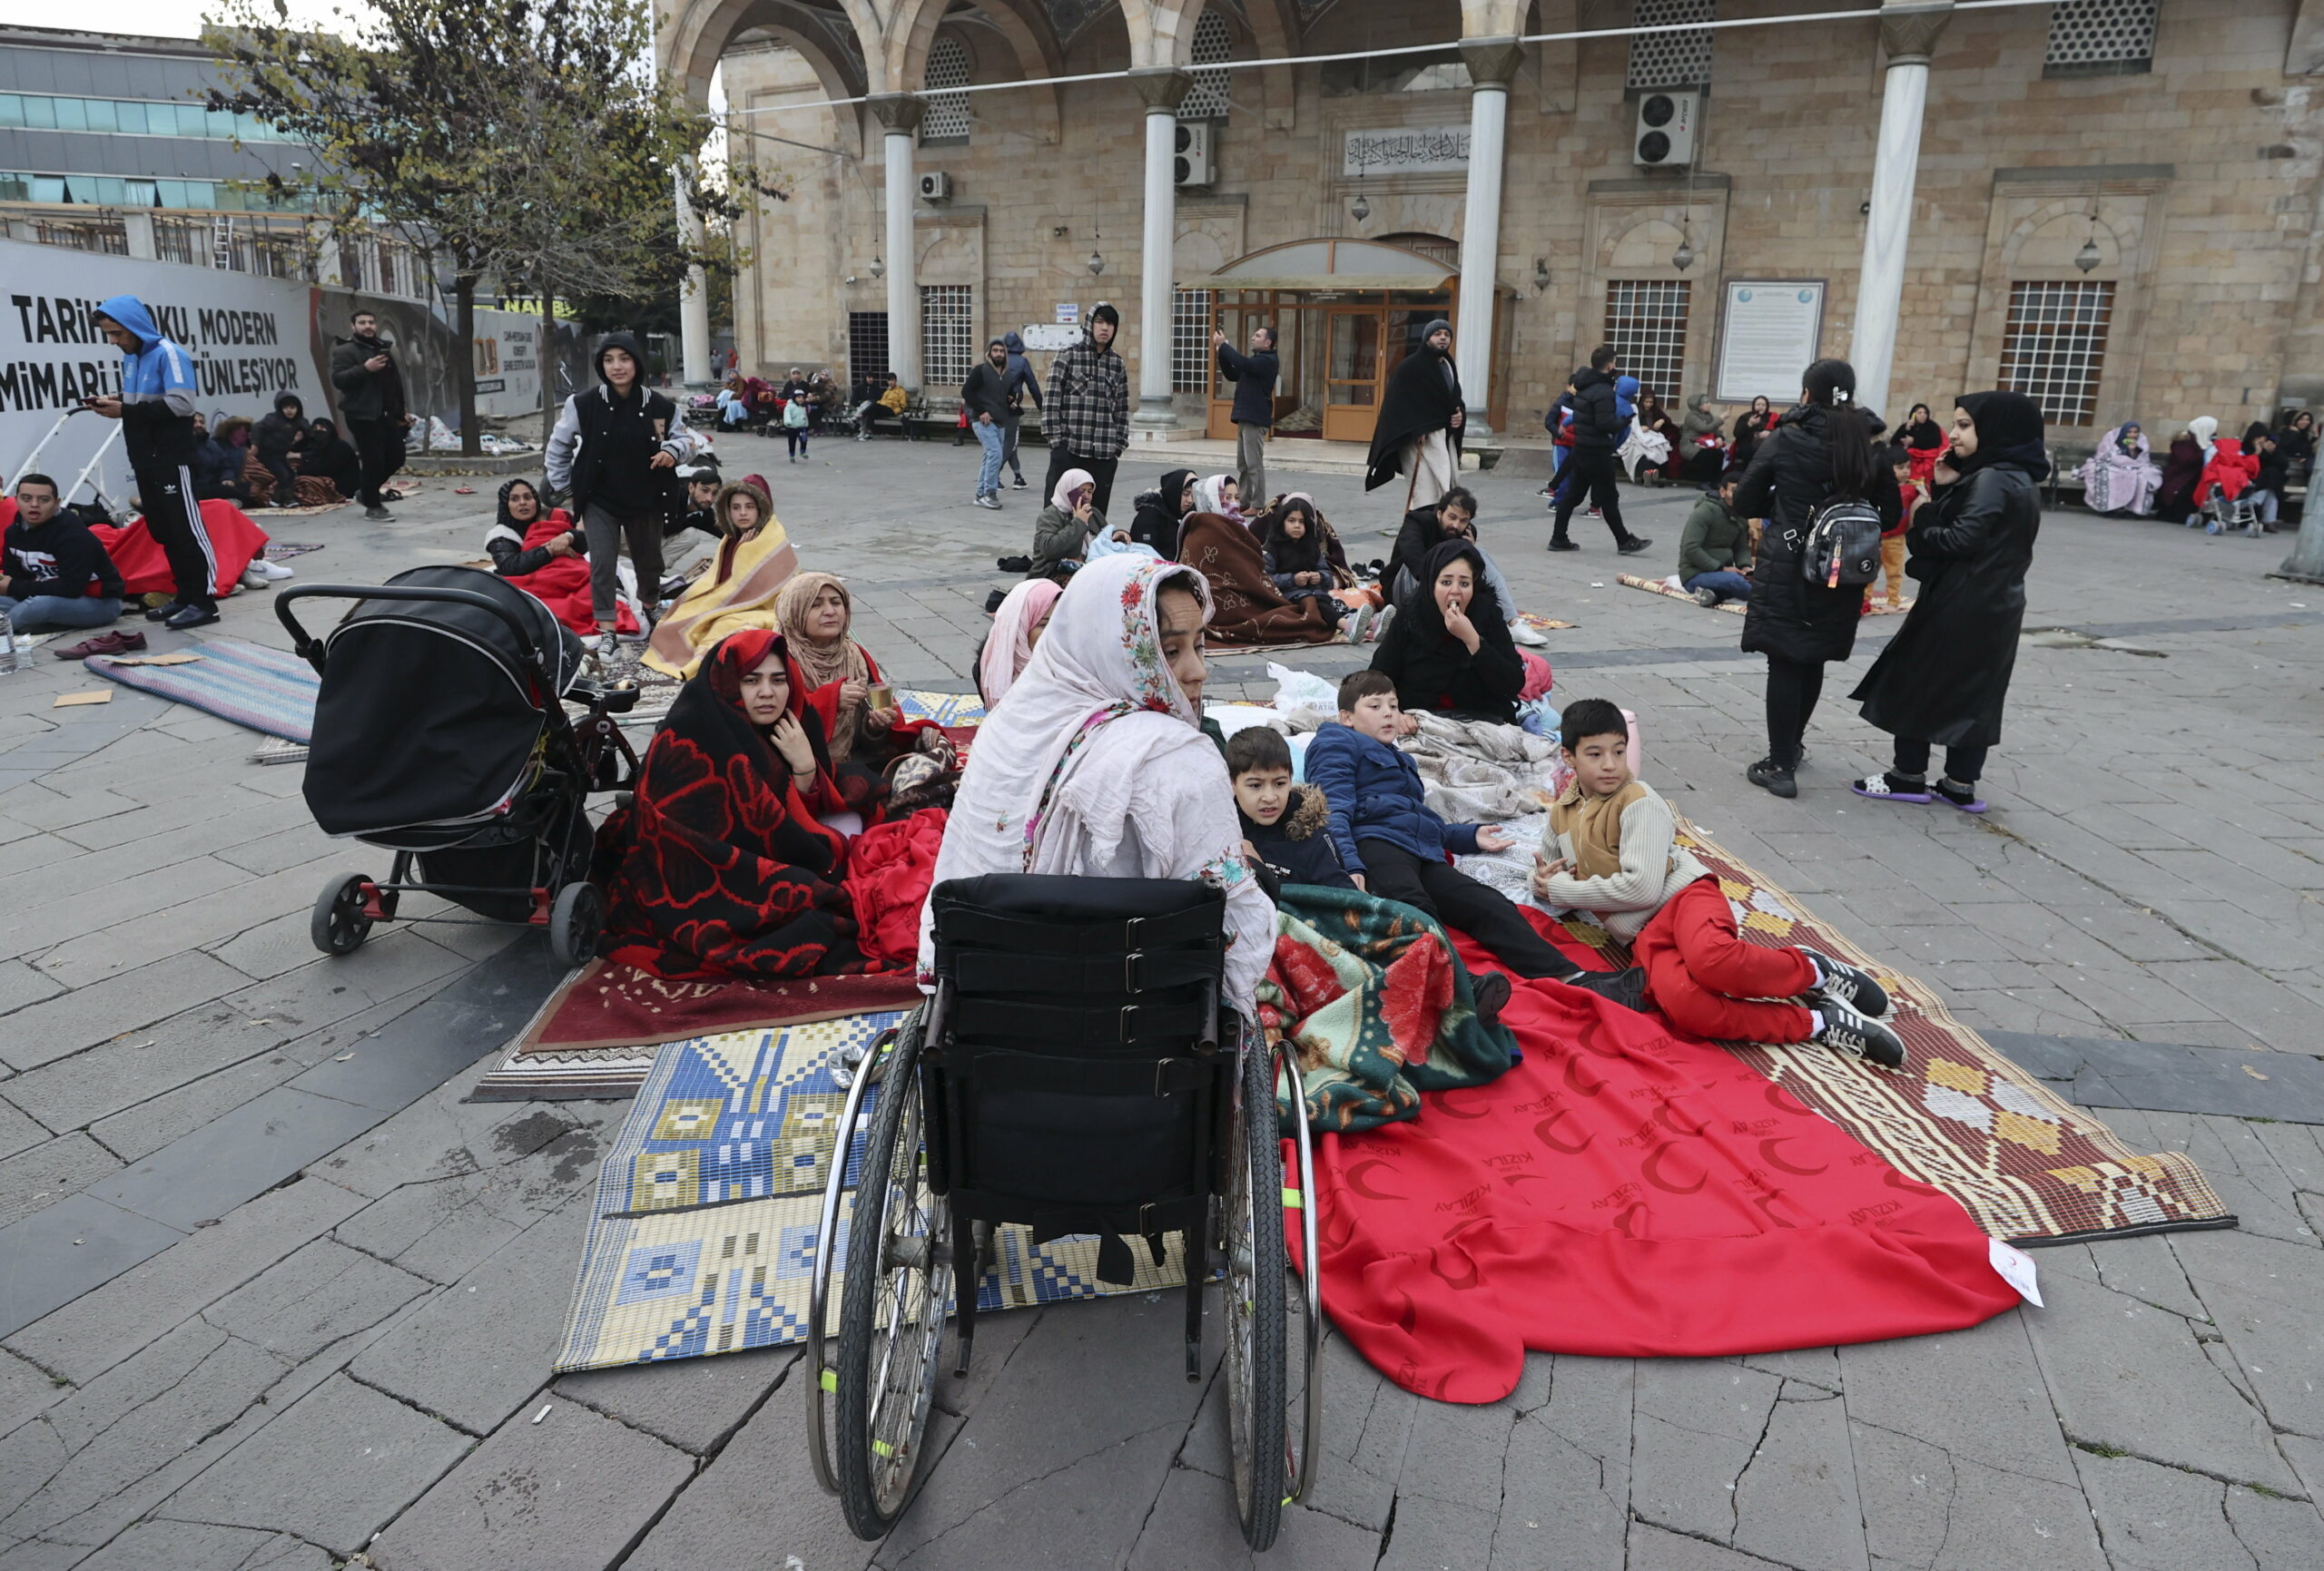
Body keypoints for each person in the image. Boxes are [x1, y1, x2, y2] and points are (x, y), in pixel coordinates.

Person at [917, 553, 1277, 1016]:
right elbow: (1235, 939)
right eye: (1169, 651)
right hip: (1146, 1031)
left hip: (990, 1016)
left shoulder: (1004, 727)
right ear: (1114, 648)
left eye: (1199, 645)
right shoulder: (1178, 762)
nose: (1197, 670)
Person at [1531, 698, 1904, 1065]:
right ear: (1569, 757)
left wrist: (1562, 889)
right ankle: (1821, 1023)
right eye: (1595, 754)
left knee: (1712, 961)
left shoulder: (1639, 801)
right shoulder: (1563, 813)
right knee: (1684, 1005)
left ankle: (1815, 972)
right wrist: (1543, 883)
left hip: (1683, 899)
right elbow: (1549, 872)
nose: (1611, 765)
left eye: (1618, 751)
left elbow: (1641, 888)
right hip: (1641, 933)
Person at [1305, 671, 1642, 1003]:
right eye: (1375, 706)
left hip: (1419, 851)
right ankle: (1458, 988)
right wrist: (1351, 867)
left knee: (1487, 903)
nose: (1388, 713)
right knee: (1412, 908)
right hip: (1374, 845)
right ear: (1346, 717)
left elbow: (1415, 819)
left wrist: (1467, 836)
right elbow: (1332, 811)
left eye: (1393, 705)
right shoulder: (1335, 742)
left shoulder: (1400, 758)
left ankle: (1573, 978)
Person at [596, 629, 868, 979]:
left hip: (762, 852)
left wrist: (804, 766)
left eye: (778, 679)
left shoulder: (791, 725)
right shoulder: (689, 735)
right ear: (726, 683)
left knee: (853, 822)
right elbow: (704, 835)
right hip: (699, 870)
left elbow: (798, 814)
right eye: (751, 680)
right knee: (810, 902)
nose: (768, 693)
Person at [1850, 392, 2045, 815]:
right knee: (1977, 693)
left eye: (1964, 425)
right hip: (1997, 605)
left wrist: (1923, 513)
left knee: (1916, 680)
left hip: (1960, 603)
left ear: (1995, 429)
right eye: (1955, 424)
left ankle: (1907, 776)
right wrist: (1946, 488)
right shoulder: (2018, 477)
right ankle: (1959, 784)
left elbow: (1961, 539)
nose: (1954, 434)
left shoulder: (1993, 477)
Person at [1735, 357, 1898, 800]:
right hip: (1842, 569)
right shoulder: (1868, 443)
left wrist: (1788, 508)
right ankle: (1793, 744)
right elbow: (1893, 513)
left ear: (1807, 394)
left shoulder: (1788, 438)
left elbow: (1745, 496)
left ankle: (1780, 764)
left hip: (1789, 562)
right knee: (1812, 656)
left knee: (1786, 658)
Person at [546, 331, 708, 648]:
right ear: (600, 365)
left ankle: (650, 607)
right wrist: (565, 486)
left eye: (624, 359)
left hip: (646, 497)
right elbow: (558, 446)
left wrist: (673, 451)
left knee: (649, 561)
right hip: (599, 499)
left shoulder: (659, 405)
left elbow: (689, 441)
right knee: (602, 563)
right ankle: (607, 629)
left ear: (636, 363)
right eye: (608, 360)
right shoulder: (583, 404)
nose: (616, 366)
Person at [86, 295, 219, 631]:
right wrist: (116, 401)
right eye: (109, 335)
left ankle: (204, 601)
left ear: (134, 326)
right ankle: (185, 596)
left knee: (186, 529)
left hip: (172, 458)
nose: (114, 341)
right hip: (145, 458)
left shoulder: (169, 353)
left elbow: (182, 405)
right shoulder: (132, 358)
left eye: (117, 333)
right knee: (164, 530)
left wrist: (125, 410)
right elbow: (144, 402)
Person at [644, 476, 795, 677]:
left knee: (723, 627)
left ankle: (702, 669)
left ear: (760, 508)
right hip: (731, 600)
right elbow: (718, 578)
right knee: (679, 612)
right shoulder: (731, 536)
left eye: (749, 507)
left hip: (763, 607)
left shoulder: (772, 536)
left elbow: (754, 589)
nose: (742, 513)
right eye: (736, 507)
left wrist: (743, 552)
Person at [1369, 539, 1522, 724]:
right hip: (1418, 723)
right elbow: (1377, 678)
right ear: (1431, 584)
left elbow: (1512, 684)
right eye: (1446, 582)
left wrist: (1473, 641)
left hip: (1482, 723)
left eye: (1464, 584)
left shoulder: (1487, 614)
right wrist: (1395, 714)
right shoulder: (1409, 617)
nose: (1455, 591)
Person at [1384, 486, 1543, 648]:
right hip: (1403, 589)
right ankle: (1425, 622)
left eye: (1463, 520)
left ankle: (1513, 622)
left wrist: (1470, 551)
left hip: (1447, 594)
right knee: (1423, 563)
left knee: (1480, 555)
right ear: (1439, 513)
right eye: (1451, 517)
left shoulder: (1465, 533)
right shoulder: (1417, 522)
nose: (1455, 524)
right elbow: (1412, 555)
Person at [1548, 345, 1653, 555]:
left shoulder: (1584, 386)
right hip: (1596, 451)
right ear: (1610, 365)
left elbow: (1583, 417)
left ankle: (1558, 537)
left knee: (1572, 495)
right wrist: (1624, 422)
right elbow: (1604, 423)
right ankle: (1624, 541)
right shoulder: (1603, 391)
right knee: (1609, 497)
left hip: (1582, 448)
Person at [1226, 726, 1353, 890]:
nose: (1270, 797)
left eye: (1280, 784)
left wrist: (1260, 871)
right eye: (1256, 785)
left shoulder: (1311, 837)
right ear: (1231, 783)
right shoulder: (1218, 833)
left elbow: (1346, 901)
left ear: (1291, 780)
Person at [2, 473, 123, 636]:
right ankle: (34, 623)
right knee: (28, 605)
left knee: (40, 606)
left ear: (56, 503)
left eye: (44, 500)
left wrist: (13, 587)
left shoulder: (73, 536)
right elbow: (16, 578)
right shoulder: (13, 533)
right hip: (42, 595)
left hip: (98, 602)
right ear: (16, 500)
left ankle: (8, 627)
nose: (34, 505)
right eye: (26, 498)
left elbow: (71, 588)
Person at [1364, 318, 1463, 509]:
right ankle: (1419, 531)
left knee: (1447, 488)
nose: (1442, 338)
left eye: (1446, 335)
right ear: (1427, 339)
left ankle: (1440, 532)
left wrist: (1460, 416)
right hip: (1417, 441)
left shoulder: (1449, 367)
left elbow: (1454, 400)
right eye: (1437, 334)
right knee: (1424, 492)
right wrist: (1415, 429)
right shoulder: (1410, 367)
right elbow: (1396, 405)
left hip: (1443, 437)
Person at [328, 307, 413, 522]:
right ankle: (373, 506)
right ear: (353, 326)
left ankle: (366, 491)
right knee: (372, 460)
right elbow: (339, 380)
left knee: (396, 456)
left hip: (387, 414)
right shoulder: (345, 351)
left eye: (371, 323)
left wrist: (401, 410)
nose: (368, 326)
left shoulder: (382, 348)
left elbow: (394, 383)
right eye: (362, 323)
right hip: (362, 414)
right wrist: (366, 368)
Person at [1042, 302, 1128, 514]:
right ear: (1090, 324)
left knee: (1095, 515)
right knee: (1059, 510)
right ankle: (1050, 547)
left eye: (1110, 323)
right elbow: (1051, 401)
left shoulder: (1117, 364)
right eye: (1100, 322)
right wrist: (1057, 444)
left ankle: (1091, 547)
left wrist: (1117, 447)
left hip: (1103, 455)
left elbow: (1122, 409)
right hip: (1070, 450)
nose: (1105, 328)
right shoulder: (1068, 356)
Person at [1261, 496, 1364, 639]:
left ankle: (1367, 626)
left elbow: (1327, 575)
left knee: (1333, 603)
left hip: (1317, 592)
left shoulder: (1312, 547)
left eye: (1301, 522)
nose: (1297, 525)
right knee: (1315, 603)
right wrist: (1292, 579)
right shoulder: (1272, 548)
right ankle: (1347, 627)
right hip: (1290, 597)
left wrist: (1319, 577)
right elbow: (1265, 579)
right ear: (1282, 522)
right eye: (1292, 521)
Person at [1213, 322, 1280, 506]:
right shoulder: (1255, 362)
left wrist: (1225, 345)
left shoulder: (1267, 361)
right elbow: (1232, 373)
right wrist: (1221, 351)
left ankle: (1257, 504)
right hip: (1244, 416)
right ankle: (1244, 500)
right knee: (1242, 465)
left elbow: (1243, 363)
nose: (1253, 337)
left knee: (1253, 464)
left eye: (1258, 336)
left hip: (1255, 418)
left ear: (1268, 343)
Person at [976, 575, 1062, 707]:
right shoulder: (992, 667)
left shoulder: (1073, 665)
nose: (1055, 633)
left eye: (1060, 623)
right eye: (1044, 625)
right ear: (1021, 626)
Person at [484, 477, 582, 576]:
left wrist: (568, 537)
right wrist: (550, 550)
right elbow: (509, 567)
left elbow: (589, 542)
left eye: (527, 497)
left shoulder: (552, 517)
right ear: (506, 505)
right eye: (514, 499)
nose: (522, 502)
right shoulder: (500, 535)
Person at [1678, 477, 1752, 605]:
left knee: (1764, 578)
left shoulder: (1740, 514)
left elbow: (1741, 547)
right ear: (1722, 492)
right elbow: (1690, 548)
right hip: (1696, 573)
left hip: (1723, 572)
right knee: (1734, 581)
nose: (1738, 495)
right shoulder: (1705, 511)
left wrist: (1746, 567)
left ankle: (1714, 595)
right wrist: (1721, 568)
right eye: (1734, 491)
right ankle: (1766, 600)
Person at [1029, 468, 1108, 580]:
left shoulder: (1092, 512)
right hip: (1051, 573)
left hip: (1088, 568)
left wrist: (1119, 534)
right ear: (1068, 491)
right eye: (1082, 491)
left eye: (1090, 492)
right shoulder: (1050, 515)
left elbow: (1106, 536)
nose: (1086, 496)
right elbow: (1050, 549)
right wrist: (1079, 523)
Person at [961, 338, 1012, 510]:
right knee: (995, 454)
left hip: (1000, 422)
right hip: (982, 420)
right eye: (995, 350)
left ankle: (980, 494)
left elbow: (1009, 394)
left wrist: (1014, 399)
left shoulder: (1006, 374)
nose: (998, 354)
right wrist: (981, 410)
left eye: (1001, 351)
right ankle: (990, 493)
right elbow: (966, 391)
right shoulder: (981, 371)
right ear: (989, 353)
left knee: (989, 456)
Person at [2079, 422, 2159, 517]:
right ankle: (2108, 508)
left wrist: (2133, 450)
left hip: (2133, 468)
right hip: (2112, 466)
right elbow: (2103, 455)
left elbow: (2142, 459)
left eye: (2135, 432)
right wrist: (2120, 461)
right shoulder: (2112, 438)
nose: (2132, 435)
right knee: (2109, 476)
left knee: (2142, 478)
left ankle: (2134, 510)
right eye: (2129, 432)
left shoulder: (2141, 440)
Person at [1877, 445, 1919, 611]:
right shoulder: (1882, 488)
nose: (1905, 471)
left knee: (1894, 571)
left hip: (1896, 538)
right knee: (1871, 571)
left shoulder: (1912, 488)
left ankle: (1893, 601)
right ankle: (1864, 600)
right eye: (1900, 467)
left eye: (1908, 467)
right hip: (1878, 537)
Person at [999, 331, 1041, 490]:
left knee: (1008, 442)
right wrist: (1041, 405)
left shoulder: (999, 360)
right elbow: (1033, 386)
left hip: (995, 408)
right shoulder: (1022, 362)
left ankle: (1018, 477)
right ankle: (994, 474)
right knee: (1010, 442)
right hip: (1012, 408)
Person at [251, 393, 310, 508]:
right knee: (282, 474)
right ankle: (289, 499)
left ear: (298, 408)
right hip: (267, 453)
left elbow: (308, 431)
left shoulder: (300, 421)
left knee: (291, 475)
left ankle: (275, 499)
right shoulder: (272, 419)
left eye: (293, 408)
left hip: (281, 453)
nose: (289, 411)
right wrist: (255, 444)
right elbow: (257, 427)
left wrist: (300, 438)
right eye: (286, 408)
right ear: (280, 408)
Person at [1130, 467, 1195, 558]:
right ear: (1174, 491)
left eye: (1193, 495)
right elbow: (1145, 550)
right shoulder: (1149, 514)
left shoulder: (1191, 513)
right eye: (1186, 494)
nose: (1190, 500)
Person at [298, 417, 362, 503]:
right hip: (329, 479)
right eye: (315, 428)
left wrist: (302, 472)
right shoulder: (317, 446)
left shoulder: (340, 446)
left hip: (344, 484)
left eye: (322, 428)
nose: (318, 431)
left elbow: (327, 468)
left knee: (307, 482)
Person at [189, 415, 249, 505]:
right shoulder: (185, 446)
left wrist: (227, 478)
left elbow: (225, 466)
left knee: (247, 486)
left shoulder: (212, 444)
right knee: (226, 490)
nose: (199, 425)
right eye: (195, 422)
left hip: (216, 483)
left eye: (202, 422)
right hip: (198, 487)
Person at [2243, 422, 2289, 532]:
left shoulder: (2271, 448)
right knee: (2271, 485)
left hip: (2267, 481)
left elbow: (2283, 465)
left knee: (2272, 476)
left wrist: (2272, 452)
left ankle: (2256, 501)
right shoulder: (2245, 448)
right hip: (2251, 478)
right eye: (2258, 437)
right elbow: (2248, 467)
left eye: (2263, 437)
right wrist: (2257, 453)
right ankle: (2269, 521)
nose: (2262, 440)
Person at [2154, 428, 2204, 520]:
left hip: (2192, 476)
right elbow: (2187, 459)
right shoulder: (2184, 444)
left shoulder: (2199, 442)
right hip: (2179, 476)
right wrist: (2203, 452)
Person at [1679, 392, 1727, 485]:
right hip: (1691, 445)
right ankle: (1703, 482)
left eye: (1709, 402)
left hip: (1707, 444)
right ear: (1699, 405)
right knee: (1706, 455)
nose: (1709, 404)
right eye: (1706, 402)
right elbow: (1705, 428)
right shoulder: (1691, 416)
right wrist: (1721, 418)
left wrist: (1720, 437)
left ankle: (1715, 481)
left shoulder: (1709, 416)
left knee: (1719, 453)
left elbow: (1716, 430)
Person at [1899, 402, 1948, 486]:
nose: (1923, 415)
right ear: (1913, 414)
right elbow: (1894, 441)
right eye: (1920, 413)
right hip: (1910, 458)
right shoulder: (1908, 426)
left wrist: (1914, 441)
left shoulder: (1932, 426)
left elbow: (1935, 442)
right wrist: (1906, 429)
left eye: (1925, 413)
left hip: (1928, 457)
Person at [1729, 394, 1777, 474]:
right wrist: (1750, 424)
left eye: (1763, 405)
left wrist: (1769, 433)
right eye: (1758, 404)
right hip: (1748, 443)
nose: (1760, 407)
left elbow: (1778, 430)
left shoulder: (1772, 417)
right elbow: (1737, 433)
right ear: (1754, 405)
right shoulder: (1745, 416)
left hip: (1767, 444)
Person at [856, 372, 908, 440]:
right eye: (889, 380)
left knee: (874, 406)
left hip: (892, 410)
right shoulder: (887, 391)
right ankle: (869, 433)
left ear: (896, 381)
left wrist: (897, 411)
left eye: (892, 380)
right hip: (884, 408)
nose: (890, 382)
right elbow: (882, 401)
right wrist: (878, 404)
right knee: (872, 412)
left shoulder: (901, 391)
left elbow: (903, 405)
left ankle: (861, 414)